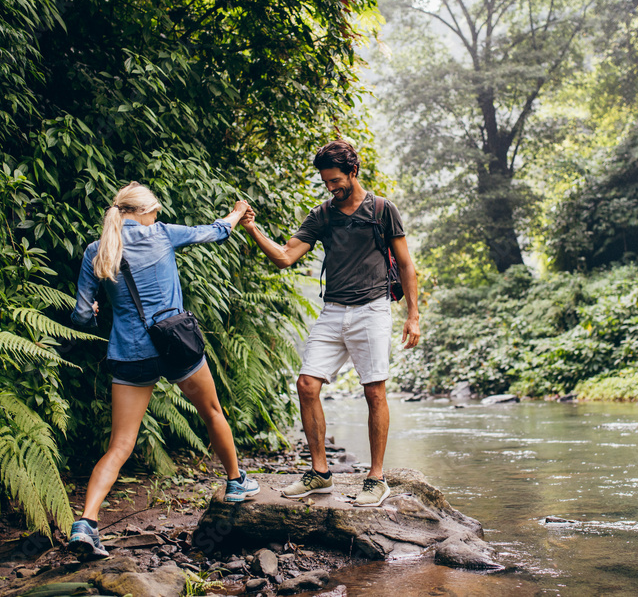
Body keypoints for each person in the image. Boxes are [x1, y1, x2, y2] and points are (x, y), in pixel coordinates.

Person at [67, 181, 259, 559]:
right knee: (211, 412)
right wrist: (238, 212)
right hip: (176, 346)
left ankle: (85, 524)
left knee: (120, 445)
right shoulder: (163, 233)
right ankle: (236, 482)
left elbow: (79, 317)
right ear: (143, 212)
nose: (157, 216)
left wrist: (91, 314)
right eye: (154, 210)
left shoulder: (96, 250)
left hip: (130, 355)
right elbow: (216, 231)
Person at [239, 140, 420, 508]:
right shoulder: (322, 214)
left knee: (374, 392)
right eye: (326, 182)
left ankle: (376, 478)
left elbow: (405, 264)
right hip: (334, 311)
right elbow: (285, 257)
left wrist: (413, 315)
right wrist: (252, 228)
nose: (331, 187)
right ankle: (320, 474)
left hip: (373, 309)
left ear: (353, 172)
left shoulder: (383, 210)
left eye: (336, 180)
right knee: (307, 384)